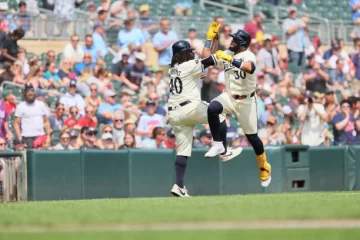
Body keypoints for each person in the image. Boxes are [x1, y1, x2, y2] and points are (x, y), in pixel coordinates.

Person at [167, 27, 242, 197]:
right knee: (219, 112)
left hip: (174, 114)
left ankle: (178, 186)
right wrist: (211, 42)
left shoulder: (172, 69)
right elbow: (211, 59)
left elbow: (205, 62)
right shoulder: (188, 65)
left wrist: (212, 41)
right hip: (189, 108)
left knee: (183, 151)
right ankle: (222, 149)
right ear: (184, 54)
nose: (191, 54)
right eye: (189, 52)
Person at [203, 26, 271, 188]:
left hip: (246, 100)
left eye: (234, 40)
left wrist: (230, 60)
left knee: (253, 137)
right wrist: (210, 39)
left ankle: (263, 166)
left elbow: (250, 68)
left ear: (241, 43)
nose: (231, 41)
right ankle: (218, 144)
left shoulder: (248, 55)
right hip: (229, 96)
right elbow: (206, 59)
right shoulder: (227, 53)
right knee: (212, 108)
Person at [13, 82, 51, 149]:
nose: (30, 92)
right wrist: (20, 137)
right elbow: (16, 123)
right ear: (24, 93)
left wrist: (48, 136)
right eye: (27, 90)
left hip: (40, 136)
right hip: (27, 137)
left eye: (32, 90)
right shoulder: (20, 106)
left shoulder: (41, 104)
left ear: (35, 92)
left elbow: (46, 121)